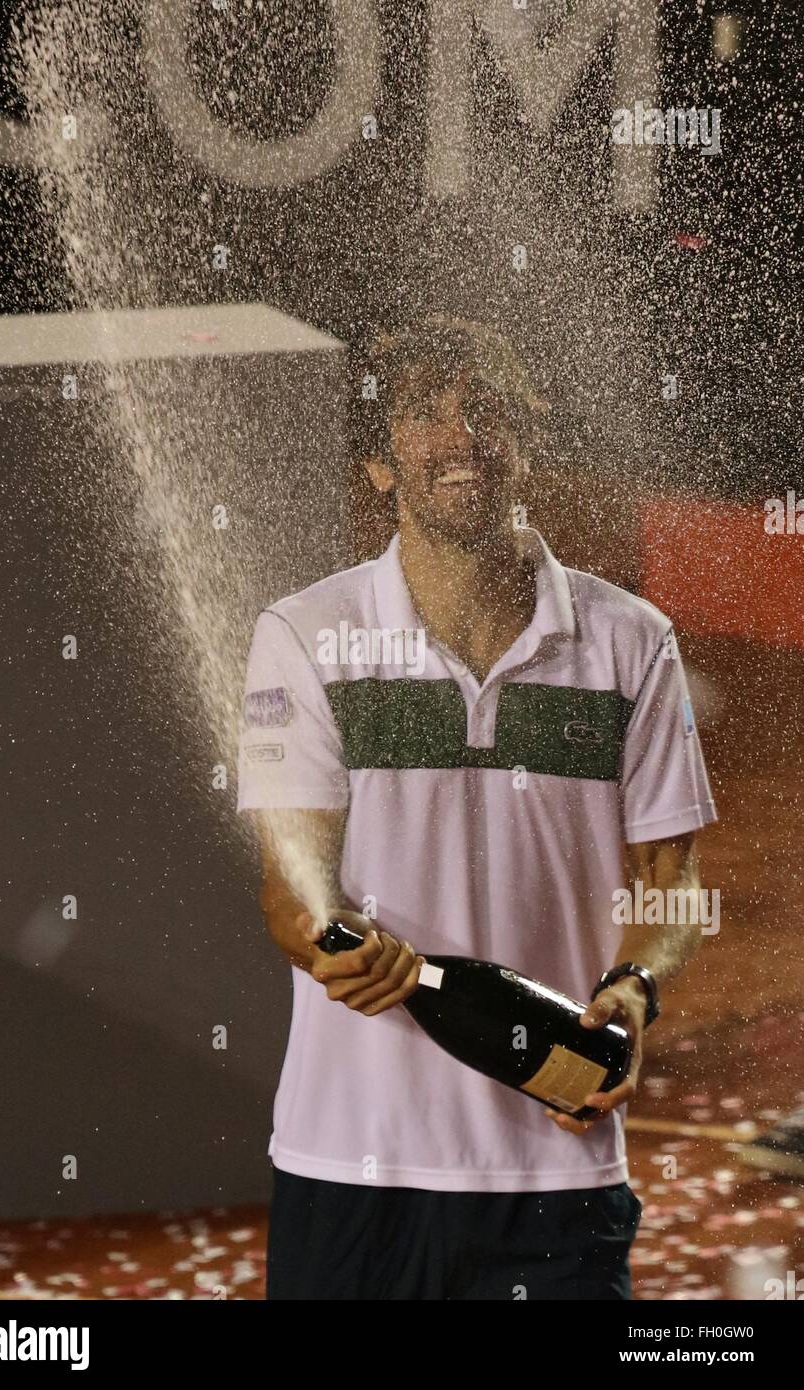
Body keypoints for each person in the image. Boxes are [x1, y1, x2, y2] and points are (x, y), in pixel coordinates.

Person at [236, 314, 719, 1300]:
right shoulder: (304, 634)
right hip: (352, 1168)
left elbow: (672, 882)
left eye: (481, 410)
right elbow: (290, 895)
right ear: (378, 465)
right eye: (422, 415)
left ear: (521, 439)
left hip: (557, 1170)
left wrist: (632, 984)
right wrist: (340, 946)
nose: (457, 437)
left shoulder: (631, 641)